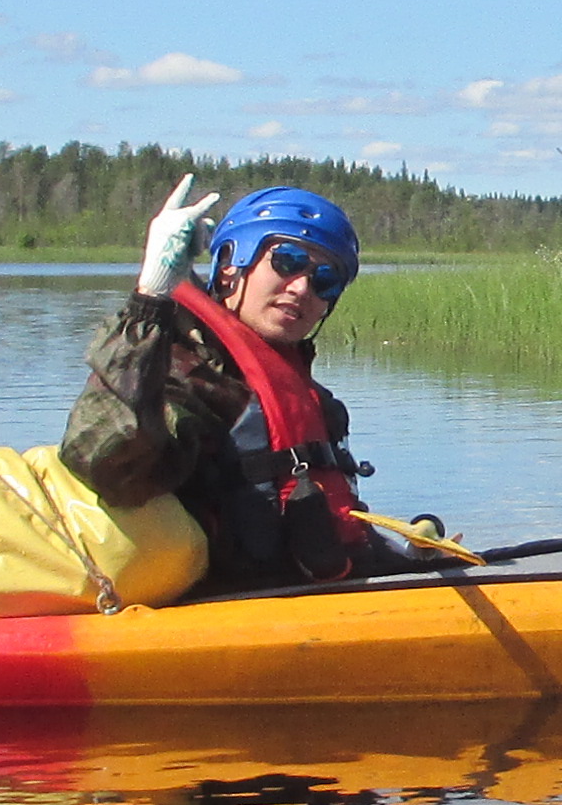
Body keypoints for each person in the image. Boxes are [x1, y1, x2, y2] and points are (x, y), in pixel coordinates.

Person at [63, 179, 419, 594]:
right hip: (216, 612)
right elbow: (108, 466)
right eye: (287, 262)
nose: (303, 288)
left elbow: (326, 525)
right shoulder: (181, 373)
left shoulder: (316, 402)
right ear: (231, 262)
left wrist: (409, 558)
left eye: (325, 279)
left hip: (302, 602)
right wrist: (150, 300)